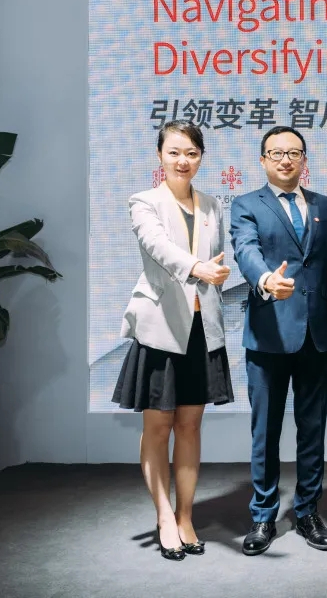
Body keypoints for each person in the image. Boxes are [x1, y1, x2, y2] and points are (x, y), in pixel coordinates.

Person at [113, 120, 233, 561]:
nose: (183, 161)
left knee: (190, 426)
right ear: (160, 156)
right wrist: (198, 268)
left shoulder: (213, 204)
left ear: (201, 157)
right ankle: (164, 515)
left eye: (192, 153)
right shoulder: (144, 202)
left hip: (202, 329)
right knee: (158, 427)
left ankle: (185, 516)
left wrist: (216, 273)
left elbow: (218, 259)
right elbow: (158, 247)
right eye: (175, 152)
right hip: (161, 329)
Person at [229, 126, 327, 556]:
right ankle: (263, 515)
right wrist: (265, 279)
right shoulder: (246, 205)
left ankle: (308, 511)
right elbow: (246, 250)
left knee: (312, 430)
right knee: (266, 431)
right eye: (276, 153)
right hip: (268, 335)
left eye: (294, 153)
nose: (285, 160)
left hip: (316, 335)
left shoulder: (325, 205)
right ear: (263, 160)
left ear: (304, 160)